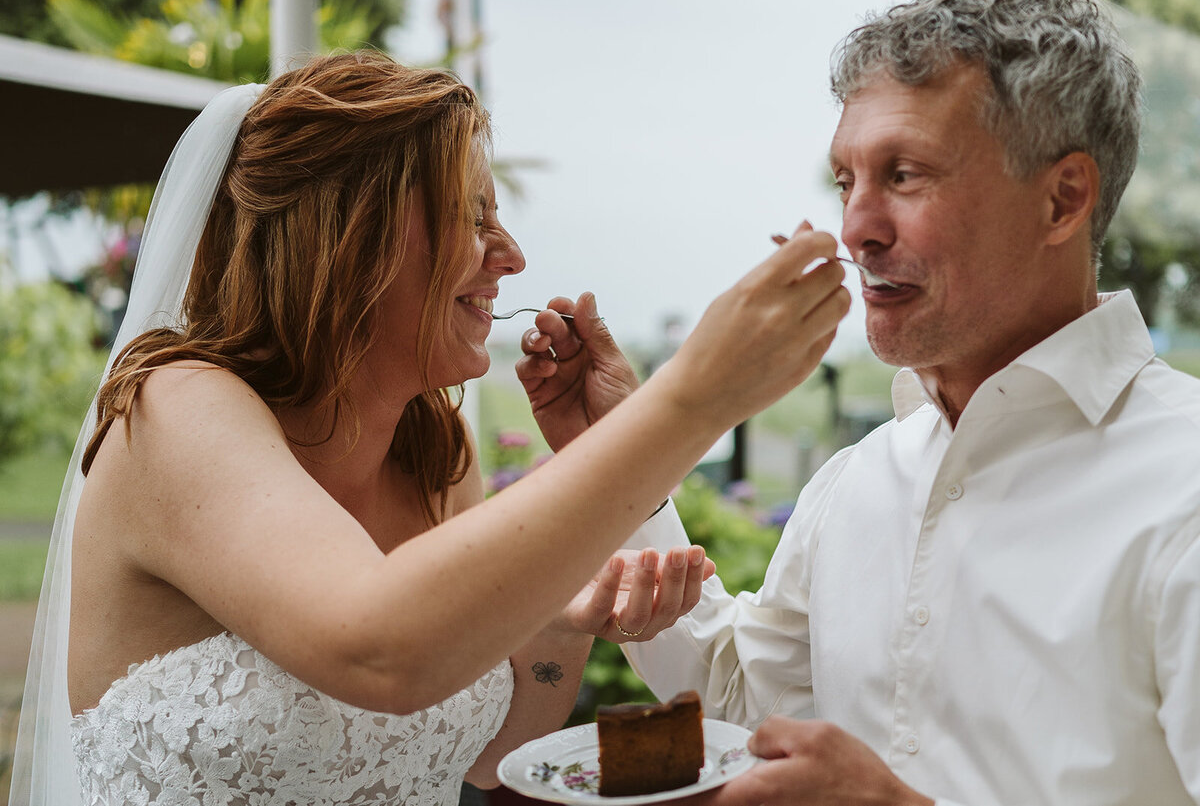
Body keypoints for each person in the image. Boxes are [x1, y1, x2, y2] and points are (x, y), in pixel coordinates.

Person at [9, 52, 852, 806]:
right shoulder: (176, 408)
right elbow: (379, 649)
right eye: (473, 215)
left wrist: (558, 622)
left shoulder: (434, 449)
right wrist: (689, 400)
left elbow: (495, 756)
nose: (512, 254)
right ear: (352, 238)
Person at [517, 0, 1200, 805]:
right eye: (846, 181)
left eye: (905, 174)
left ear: (1063, 199)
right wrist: (620, 458)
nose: (855, 229)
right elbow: (743, 700)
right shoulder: (859, 481)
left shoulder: (1184, 487)